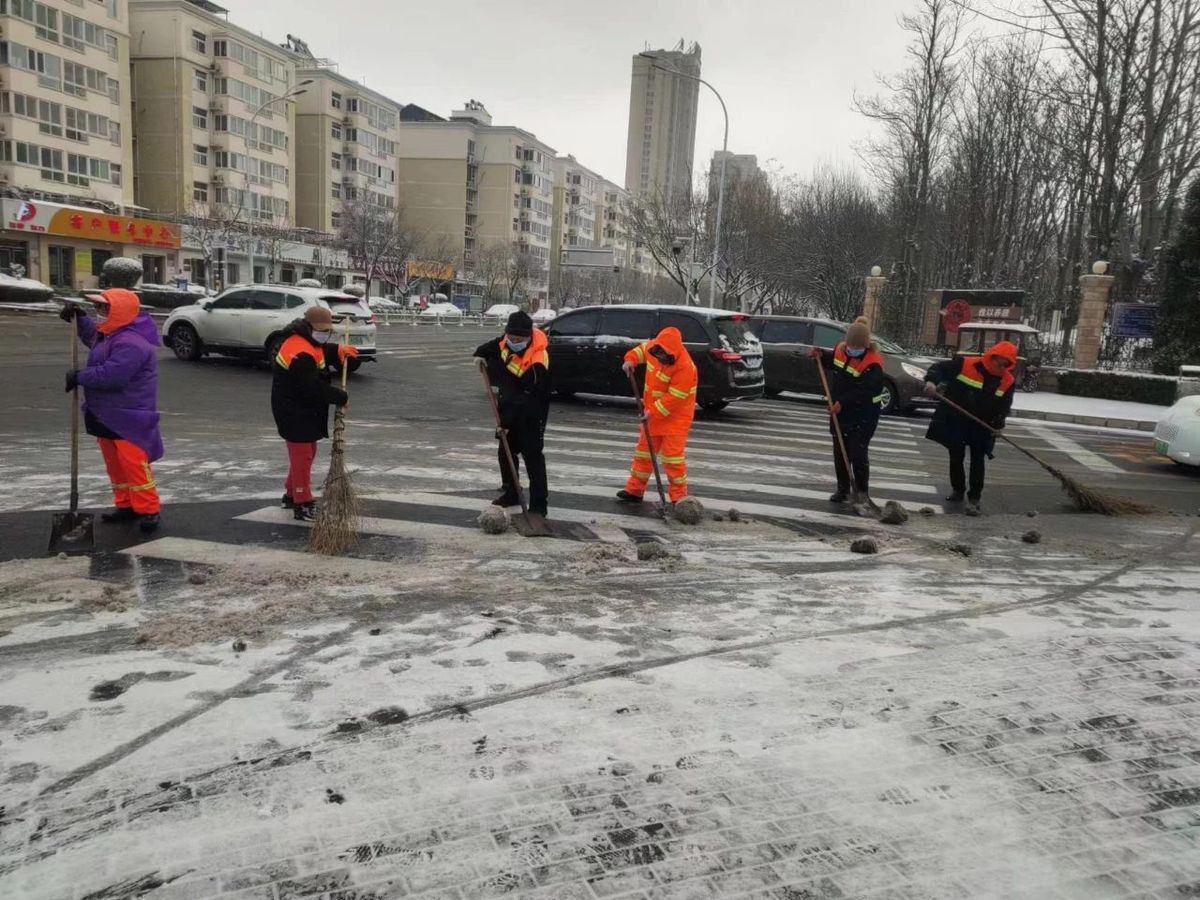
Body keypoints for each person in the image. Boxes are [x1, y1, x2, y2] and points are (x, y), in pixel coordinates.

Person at [61, 288, 164, 532]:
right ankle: (126, 505)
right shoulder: (112, 334)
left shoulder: (132, 343)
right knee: (115, 465)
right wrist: (79, 319)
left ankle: (149, 510)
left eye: (103, 309)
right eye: (97, 308)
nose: (99, 314)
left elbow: (114, 375)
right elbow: (94, 338)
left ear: (119, 311)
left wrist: (80, 376)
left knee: (134, 465)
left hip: (129, 415)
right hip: (106, 413)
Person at [272, 305, 355, 521]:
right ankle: (303, 503)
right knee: (303, 456)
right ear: (308, 327)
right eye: (320, 330)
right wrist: (341, 397)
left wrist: (337, 350)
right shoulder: (299, 352)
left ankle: (291, 494)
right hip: (294, 411)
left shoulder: (307, 341)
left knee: (305, 454)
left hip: (302, 409)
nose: (323, 334)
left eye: (327, 330)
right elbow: (311, 387)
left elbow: (320, 351)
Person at [923, 340, 1018, 516]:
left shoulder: (1007, 380)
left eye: (1006, 364)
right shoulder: (965, 364)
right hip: (957, 421)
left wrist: (998, 424)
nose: (1001, 366)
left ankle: (975, 497)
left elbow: (1004, 405)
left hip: (982, 426)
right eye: (999, 361)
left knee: (977, 460)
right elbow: (938, 368)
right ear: (992, 355)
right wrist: (931, 382)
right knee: (956, 455)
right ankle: (958, 490)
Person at [473, 310, 551, 516]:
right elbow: (492, 346)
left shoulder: (538, 361)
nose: (513, 341)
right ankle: (512, 493)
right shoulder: (506, 341)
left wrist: (505, 422)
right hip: (508, 405)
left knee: (533, 457)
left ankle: (538, 506)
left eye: (518, 338)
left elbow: (525, 398)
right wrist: (480, 355)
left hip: (532, 412)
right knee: (505, 453)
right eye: (511, 337)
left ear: (528, 336)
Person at [617, 326, 698, 506]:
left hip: (675, 419)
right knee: (643, 454)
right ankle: (635, 490)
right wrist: (630, 360)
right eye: (660, 354)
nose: (661, 359)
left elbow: (675, 398)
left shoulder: (685, 367)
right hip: (652, 414)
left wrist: (651, 412)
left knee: (672, 458)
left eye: (666, 356)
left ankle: (678, 497)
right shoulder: (654, 349)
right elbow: (639, 351)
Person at [808, 316, 885, 504]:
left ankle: (862, 492)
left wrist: (842, 402)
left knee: (857, 453)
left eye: (857, 347)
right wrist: (820, 355)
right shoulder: (842, 350)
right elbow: (833, 361)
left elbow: (866, 390)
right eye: (850, 346)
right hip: (841, 412)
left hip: (864, 414)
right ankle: (843, 488)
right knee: (840, 451)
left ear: (866, 346)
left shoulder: (873, 363)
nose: (852, 349)